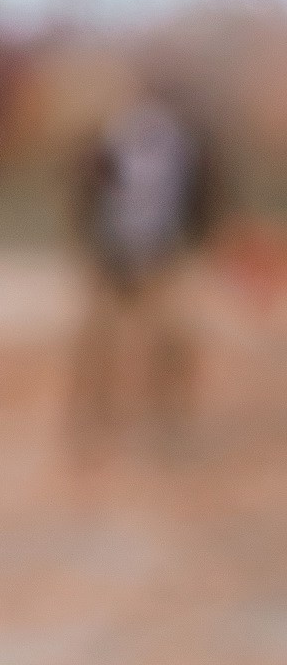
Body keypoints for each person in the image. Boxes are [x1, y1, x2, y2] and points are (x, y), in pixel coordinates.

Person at [67, 90, 225, 446]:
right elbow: (86, 197)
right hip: (114, 255)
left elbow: (200, 198)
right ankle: (94, 418)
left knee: (167, 339)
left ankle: (164, 418)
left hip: (159, 254)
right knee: (101, 340)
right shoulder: (108, 142)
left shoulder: (181, 146)